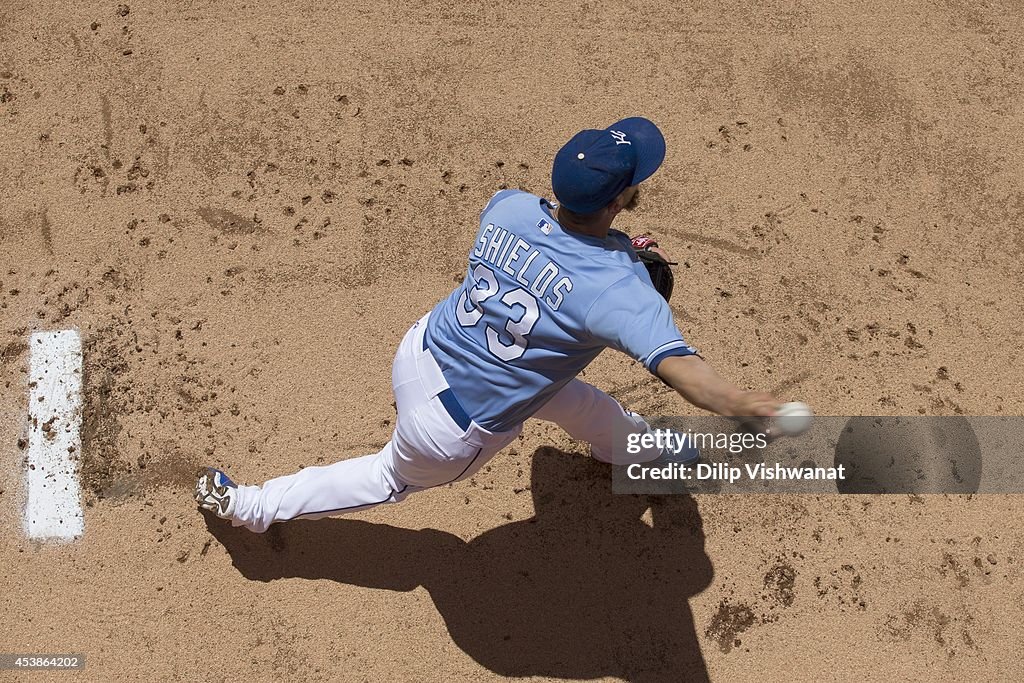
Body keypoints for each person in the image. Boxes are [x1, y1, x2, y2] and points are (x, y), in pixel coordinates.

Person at [195, 117, 780, 533]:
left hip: (423, 348)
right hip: (449, 430)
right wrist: (741, 403)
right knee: (385, 478)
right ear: (621, 198)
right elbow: (688, 376)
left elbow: (556, 250)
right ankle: (252, 506)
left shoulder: (509, 206)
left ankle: (633, 449)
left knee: (571, 398)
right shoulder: (622, 292)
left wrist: (616, 248)